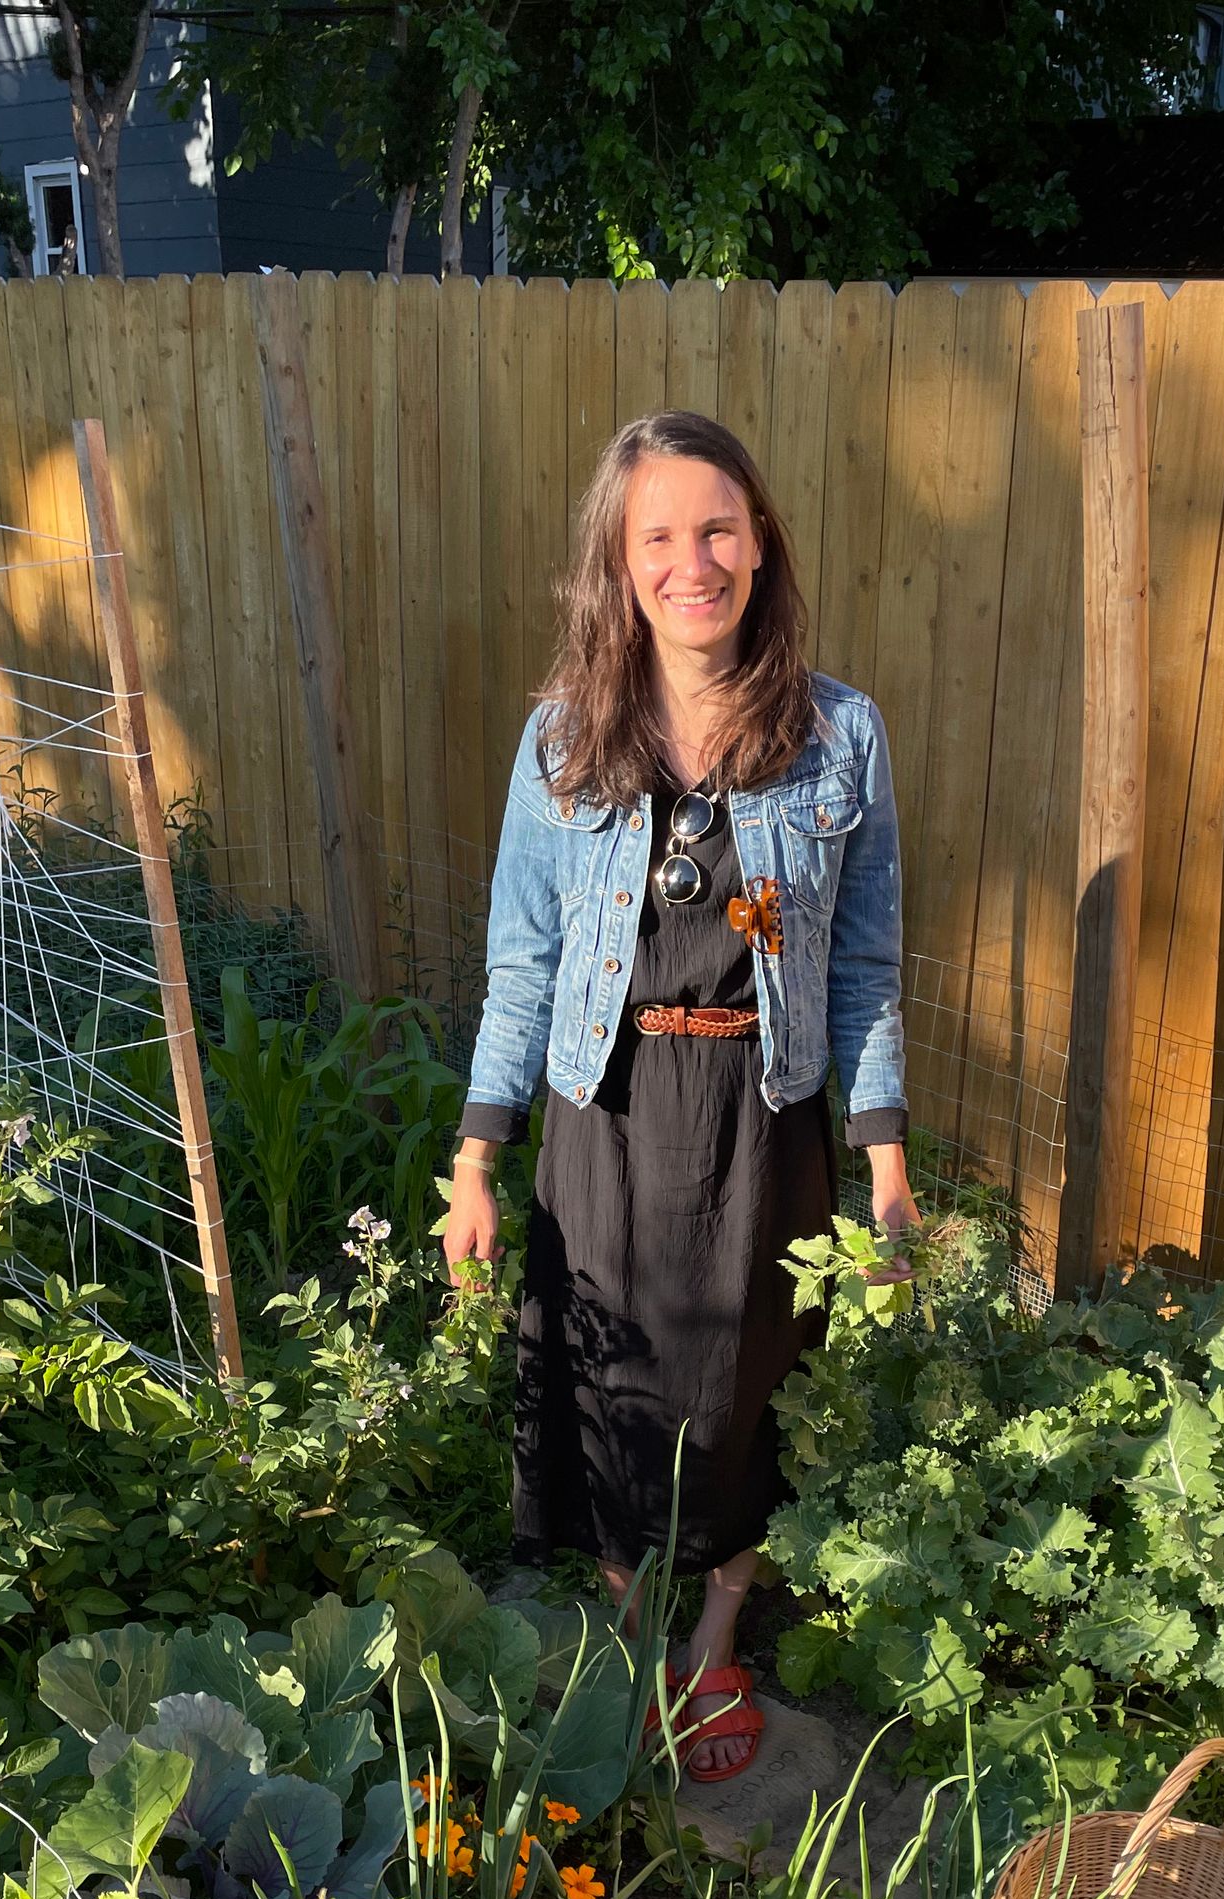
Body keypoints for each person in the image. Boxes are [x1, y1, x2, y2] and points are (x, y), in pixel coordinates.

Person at [443, 410, 919, 1778]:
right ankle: (628, 1623)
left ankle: (711, 1644)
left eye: (717, 527)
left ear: (761, 544)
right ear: (620, 560)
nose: (691, 560)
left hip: (763, 1120)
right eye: (659, 536)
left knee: (746, 1396)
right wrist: (479, 1153)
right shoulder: (563, 743)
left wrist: (885, 1162)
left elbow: (869, 961)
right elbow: (523, 961)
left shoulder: (841, 738)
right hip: (607, 1108)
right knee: (606, 1389)